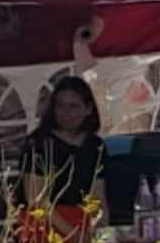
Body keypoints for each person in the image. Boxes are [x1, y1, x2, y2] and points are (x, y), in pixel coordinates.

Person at [21, 74, 109, 213]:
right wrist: (71, 232)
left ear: (88, 109)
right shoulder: (39, 143)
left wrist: (101, 227)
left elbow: (97, 196)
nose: (66, 113)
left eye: (73, 107)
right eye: (60, 106)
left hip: (82, 222)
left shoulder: (95, 145)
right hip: (46, 224)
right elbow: (37, 201)